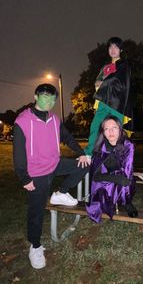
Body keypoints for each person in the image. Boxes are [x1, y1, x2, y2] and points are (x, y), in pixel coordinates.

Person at [13, 84, 90, 270]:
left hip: (54, 163)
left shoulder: (54, 119)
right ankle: (35, 246)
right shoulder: (23, 121)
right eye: (45, 97)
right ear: (36, 96)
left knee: (85, 164)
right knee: (36, 212)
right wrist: (25, 178)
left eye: (53, 99)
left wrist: (81, 152)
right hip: (37, 173)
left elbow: (68, 137)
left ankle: (61, 192)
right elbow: (18, 154)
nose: (50, 102)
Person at [84, 37, 132, 157]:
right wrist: (98, 83)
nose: (113, 49)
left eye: (116, 47)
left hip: (116, 103)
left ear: (120, 50)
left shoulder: (124, 64)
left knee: (116, 131)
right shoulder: (105, 67)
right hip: (103, 102)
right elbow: (98, 82)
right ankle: (90, 153)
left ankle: (119, 156)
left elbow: (119, 81)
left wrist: (104, 83)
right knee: (95, 126)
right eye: (110, 47)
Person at [86, 115, 137, 223]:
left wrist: (117, 179)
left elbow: (126, 174)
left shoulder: (128, 145)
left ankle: (127, 202)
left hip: (123, 181)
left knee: (125, 180)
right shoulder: (100, 147)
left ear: (120, 129)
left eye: (114, 128)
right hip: (107, 181)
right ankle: (113, 201)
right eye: (106, 129)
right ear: (103, 132)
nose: (111, 132)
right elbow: (96, 176)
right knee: (103, 193)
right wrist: (114, 178)